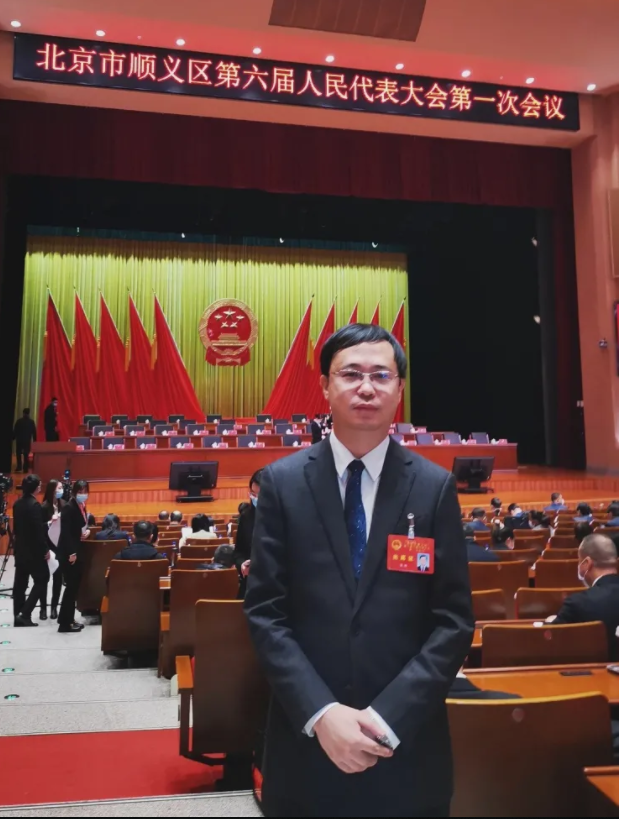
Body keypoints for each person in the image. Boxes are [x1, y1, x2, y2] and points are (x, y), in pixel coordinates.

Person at [245, 323, 474, 818]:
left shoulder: (433, 488)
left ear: (399, 390)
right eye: (350, 374)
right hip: (306, 747)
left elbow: (453, 621)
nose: (366, 387)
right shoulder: (283, 484)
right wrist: (322, 713)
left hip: (407, 750)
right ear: (325, 386)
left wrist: (388, 718)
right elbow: (265, 613)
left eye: (380, 375)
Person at [549, 534, 619, 660]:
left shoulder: (577, 604)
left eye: (579, 561)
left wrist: (550, 622)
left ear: (586, 563)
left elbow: (549, 639)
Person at [12, 474, 51, 627]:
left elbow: (17, 529)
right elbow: (38, 531)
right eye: (39, 485)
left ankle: (18, 614)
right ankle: (25, 613)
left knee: (20, 584)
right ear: (35, 488)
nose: (40, 487)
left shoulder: (17, 504)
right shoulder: (35, 505)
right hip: (34, 551)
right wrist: (45, 549)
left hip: (20, 548)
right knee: (43, 578)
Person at [56, 480, 91, 634]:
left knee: (74, 588)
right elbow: (65, 533)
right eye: (80, 491)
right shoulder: (69, 507)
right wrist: (72, 553)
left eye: (85, 491)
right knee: (71, 588)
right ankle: (65, 624)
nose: (83, 494)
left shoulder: (81, 505)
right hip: (69, 554)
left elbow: (79, 527)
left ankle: (69, 619)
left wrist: (87, 532)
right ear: (74, 492)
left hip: (76, 550)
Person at [39, 478, 66, 620]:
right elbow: (39, 529)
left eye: (62, 488)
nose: (61, 490)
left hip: (60, 547)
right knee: (44, 578)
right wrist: (50, 522)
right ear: (52, 490)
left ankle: (54, 607)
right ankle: (43, 608)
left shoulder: (64, 505)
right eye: (58, 488)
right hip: (47, 547)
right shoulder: (43, 507)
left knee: (58, 578)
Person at [233, 469, 263, 581]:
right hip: (251, 582)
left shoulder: (285, 517)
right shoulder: (246, 517)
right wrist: (242, 564)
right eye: (253, 494)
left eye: (260, 495)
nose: (255, 499)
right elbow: (238, 553)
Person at [13, 408, 37, 473]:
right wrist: (35, 440)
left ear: (23, 413)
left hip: (19, 440)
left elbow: (15, 431)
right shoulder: (31, 422)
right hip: (27, 440)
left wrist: (13, 438)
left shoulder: (19, 421)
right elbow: (34, 432)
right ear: (29, 413)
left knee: (18, 453)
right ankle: (25, 468)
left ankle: (19, 467)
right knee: (26, 454)